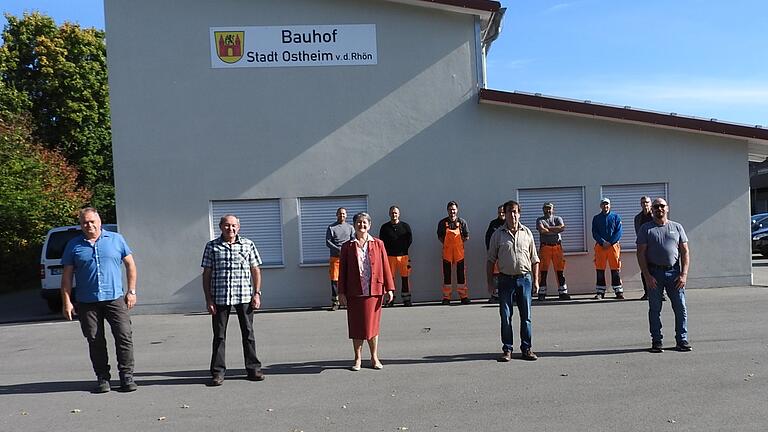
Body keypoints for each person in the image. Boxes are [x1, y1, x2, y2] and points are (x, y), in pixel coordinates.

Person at [61, 207, 138, 393]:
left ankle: (126, 376)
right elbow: (67, 277)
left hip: (114, 298)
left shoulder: (116, 240)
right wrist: (67, 302)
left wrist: (132, 291)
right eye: (85, 222)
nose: (89, 225)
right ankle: (102, 377)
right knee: (95, 339)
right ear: (81, 225)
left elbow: (130, 265)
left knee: (124, 336)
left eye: (92, 221)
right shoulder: (74, 245)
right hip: (87, 301)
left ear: (99, 221)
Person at [202, 214, 265, 386]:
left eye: (233, 225)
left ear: (239, 227)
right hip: (220, 298)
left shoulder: (248, 244)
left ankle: (253, 369)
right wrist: (209, 299)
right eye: (227, 225)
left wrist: (257, 293)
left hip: (244, 296)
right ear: (221, 227)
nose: (230, 228)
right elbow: (206, 274)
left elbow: (256, 270)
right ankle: (218, 372)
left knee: (248, 334)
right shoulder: (212, 246)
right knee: (219, 336)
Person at [338, 212, 395, 370]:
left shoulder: (378, 244)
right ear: (354, 225)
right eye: (358, 222)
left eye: (364, 223)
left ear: (369, 225)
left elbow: (385, 266)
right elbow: (342, 271)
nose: (361, 225)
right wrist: (341, 292)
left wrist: (389, 288)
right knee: (356, 327)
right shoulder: (347, 246)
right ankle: (357, 359)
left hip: (374, 291)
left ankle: (374, 357)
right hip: (355, 292)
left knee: (372, 326)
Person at [487, 200, 539, 361]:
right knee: (505, 316)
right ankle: (507, 349)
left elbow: (535, 259)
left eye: (515, 211)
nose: (513, 215)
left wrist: (536, 281)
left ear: (519, 213)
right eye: (509, 211)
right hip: (505, 281)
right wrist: (490, 283)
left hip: (524, 280)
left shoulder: (527, 233)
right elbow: (490, 261)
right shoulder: (498, 235)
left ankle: (526, 349)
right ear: (505, 214)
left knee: (526, 317)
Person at [637, 198, 691, 353]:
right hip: (654, 274)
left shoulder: (677, 227)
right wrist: (647, 275)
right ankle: (657, 340)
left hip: (674, 273)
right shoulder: (646, 229)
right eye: (656, 207)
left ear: (667, 208)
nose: (659, 208)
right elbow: (640, 253)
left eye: (662, 206)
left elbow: (685, 252)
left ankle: (682, 340)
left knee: (680, 307)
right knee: (655, 309)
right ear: (652, 210)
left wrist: (684, 274)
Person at [378, 205, 414, 307]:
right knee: (390, 279)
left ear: (399, 214)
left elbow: (410, 239)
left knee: (405, 278)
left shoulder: (405, 226)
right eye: (392, 213)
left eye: (396, 213)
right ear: (389, 214)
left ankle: (406, 299)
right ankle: (390, 300)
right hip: (389, 257)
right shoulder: (384, 227)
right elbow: (381, 241)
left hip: (403, 256)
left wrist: (403, 249)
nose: (394, 214)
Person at [437, 200, 471, 305]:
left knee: (461, 274)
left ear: (457, 210)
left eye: (454, 209)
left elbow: (467, 236)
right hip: (447, 252)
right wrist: (447, 245)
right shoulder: (442, 223)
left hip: (459, 252)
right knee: (447, 275)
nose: (452, 212)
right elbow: (440, 236)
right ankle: (446, 297)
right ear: (447, 210)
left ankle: (464, 296)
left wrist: (459, 244)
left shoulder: (462, 222)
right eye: (450, 210)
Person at [536, 202, 571, 301]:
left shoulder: (557, 218)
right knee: (543, 271)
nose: (548, 210)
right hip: (545, 247)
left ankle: (563, 292)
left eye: (549, 208)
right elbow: (542, 231)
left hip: (557, 247)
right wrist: (555, 230)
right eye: (546, 208)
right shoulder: (539, 219)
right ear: (543, 209)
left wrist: (548, 229)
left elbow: (562, 228)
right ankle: (542, 293)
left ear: (553, 209)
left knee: (560, 270)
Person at [634, 196, 666, 302]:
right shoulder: (638, 218)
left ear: (651, 204)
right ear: (641, 204)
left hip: (655, 247)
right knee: (644, 270)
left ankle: (661, 294)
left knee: (659, 270)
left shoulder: (655, 216)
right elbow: (638, 233)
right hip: (644, 247)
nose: (645, 204)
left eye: (647, 202)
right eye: (643, 203)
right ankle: (647, 293)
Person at [591, 197, 624, 299]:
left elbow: (619, 232)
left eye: (607, 204)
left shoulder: (616, 217)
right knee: (600, 269)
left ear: (610, 205)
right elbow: (594, 232)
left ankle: (618, 291)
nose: (605, 206)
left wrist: (610, 242)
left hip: (613, 247)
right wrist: (602, 242)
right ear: (600, 206)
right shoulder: (596, 218)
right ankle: (600, 292)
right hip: (600, 247)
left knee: (615, 268)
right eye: (603, 204)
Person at [326, 207, 354, 311]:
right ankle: (335, 302)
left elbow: (353, 240)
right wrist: (339, 249)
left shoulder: (350, 227)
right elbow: (328, 242)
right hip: (335, 258)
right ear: (336, 215)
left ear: (346, 215)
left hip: (348, 258)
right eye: (340, 214)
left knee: (349, 279)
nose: (342, 215)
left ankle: (348, 301)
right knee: (334, 281)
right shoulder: (331, 228)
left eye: (343, 214)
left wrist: (346, 249)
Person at [484, 205, 506, 303]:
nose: (501, 214)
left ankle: (509, 294)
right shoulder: (493, 224)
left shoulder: (509, 223)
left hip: (506, 255)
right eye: (499, 213)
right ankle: (495, 295)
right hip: (496, 255)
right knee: (496, 276)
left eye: (502, 212)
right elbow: (488, 238)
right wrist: (490, 251)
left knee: (507, 275)